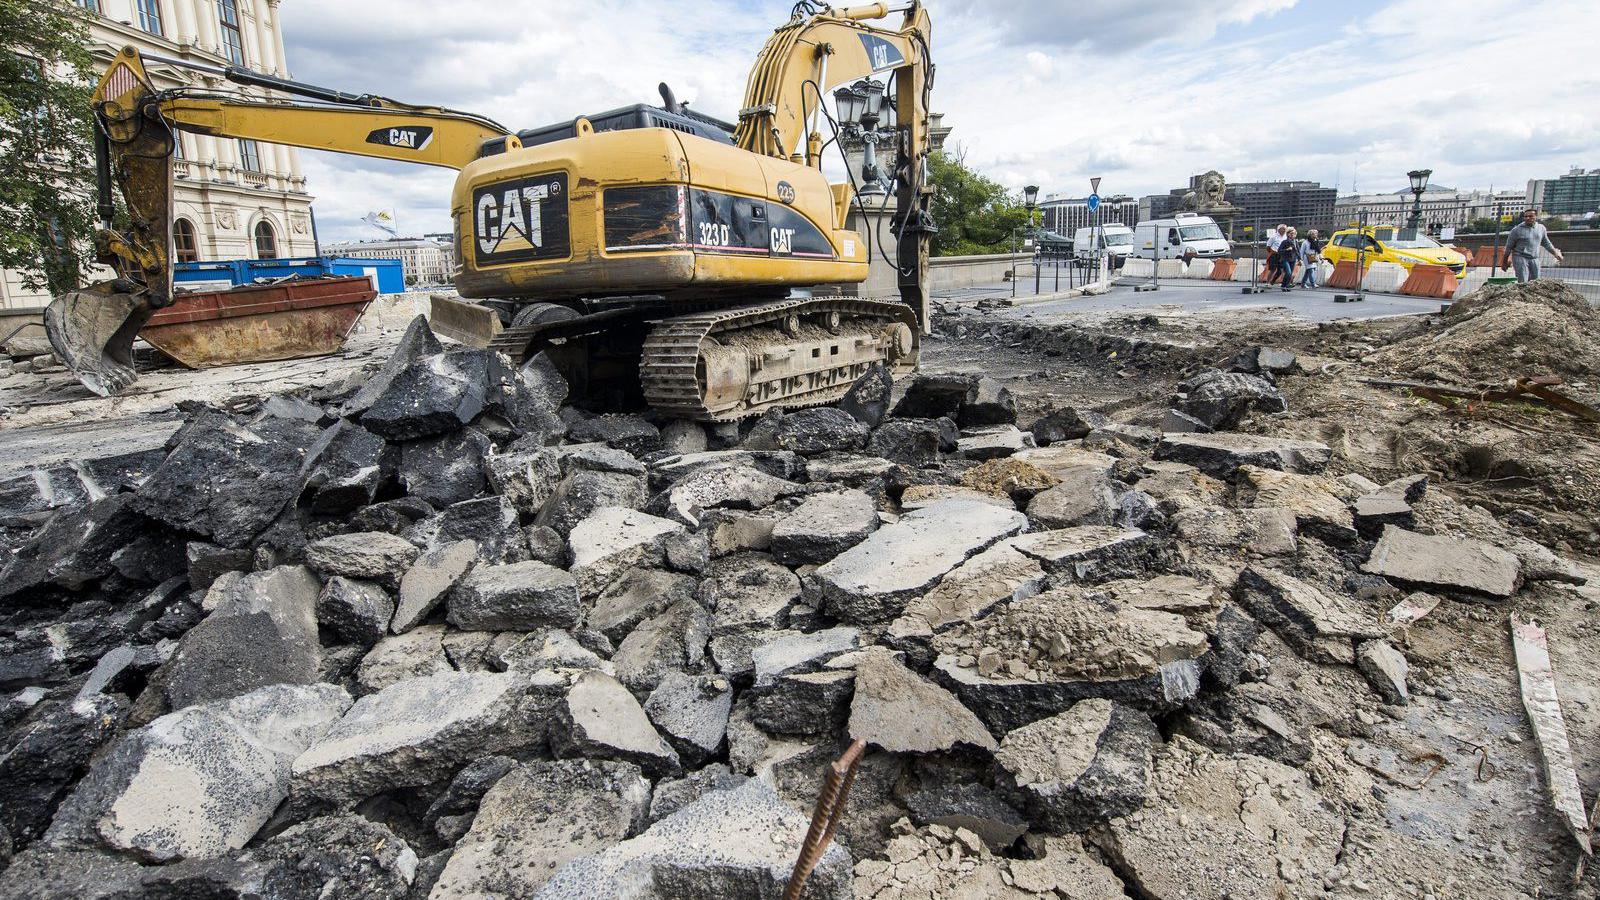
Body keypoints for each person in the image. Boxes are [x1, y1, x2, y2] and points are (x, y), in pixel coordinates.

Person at [1505, 208, 1564, 283]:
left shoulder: (1541, 228)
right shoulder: (1516, 230)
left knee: (1536, 282)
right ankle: (1523, 293)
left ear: (1535, 217)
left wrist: (1555, 253)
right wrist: (1505, 261)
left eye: (1530, 216)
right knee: (1523, 281)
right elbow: (1509, 246)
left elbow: (1546, 243)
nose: (1527, 218)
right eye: (1525, 216)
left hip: (1534, 258)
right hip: (1520, 257)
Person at [1276, 227, 1301, 292]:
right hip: (1285, 259)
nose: (1293, 235)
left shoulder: (1295, 241)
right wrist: (1286, 249)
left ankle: (1286, 286)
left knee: (1290, 273)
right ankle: (1284, 285)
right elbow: (1279, 251)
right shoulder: (1284, 242)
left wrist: (1299, 259)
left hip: (1293, 259)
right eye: (1291, 233)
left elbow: (1297, 251)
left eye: (1294, 233)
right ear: (1288, 234)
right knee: (1288, 272)